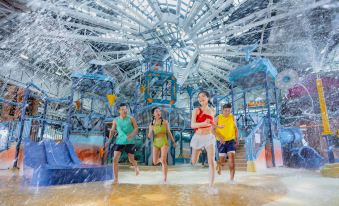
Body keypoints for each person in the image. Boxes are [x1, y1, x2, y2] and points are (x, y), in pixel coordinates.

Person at [190, 91, 218, 194]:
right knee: (193, 161)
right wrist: (202, 123)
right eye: (199, 97)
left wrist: (218, 127)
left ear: (208, 98)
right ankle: (199, 151)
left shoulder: (212, 111)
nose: (200, 98)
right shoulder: (196, 110)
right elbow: (192, 125)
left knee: (211, 162)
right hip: (198, 137)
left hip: (209, 137)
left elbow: (211, 124)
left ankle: (211, 186)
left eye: (203, 96)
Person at [108, 103, 140, 184]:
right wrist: (109, 140)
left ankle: (136, 167)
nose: (125, 111)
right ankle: (116, 179)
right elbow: (112, 130)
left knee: (131, 159)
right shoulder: (115, 120)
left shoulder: (131, 119)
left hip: (130, 142)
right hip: (119, 142)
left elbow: (136, 128)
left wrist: (132, 135)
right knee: (115, 160)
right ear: (119, 111)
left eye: (125, 109)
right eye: (122, 109)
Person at [148, 107, 176, 184]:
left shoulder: (165, 122)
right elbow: (149, 135)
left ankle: (165, 179)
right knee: (155, 161)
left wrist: (173, 142)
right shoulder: (151, 124)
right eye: (157, 111)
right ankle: (161, 160)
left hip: (164, 141)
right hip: (156, 142)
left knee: (163, 160)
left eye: (159, 111)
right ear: (153, 114)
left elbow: (169, 132)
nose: (159, 112)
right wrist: (150, 130)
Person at [215, 103, 239, 184]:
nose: (227, 112)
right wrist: (220, 137)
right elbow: (212, 130)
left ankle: (231, 179)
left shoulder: (232, 117)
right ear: (222, 110)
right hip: (221, 142)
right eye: (226, 111)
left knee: (232, 159)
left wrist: (236, 139)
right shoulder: (218, 118)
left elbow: (236, 129)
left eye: (229, 111)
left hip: (231, 141)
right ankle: (219, 165)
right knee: (222, 161)